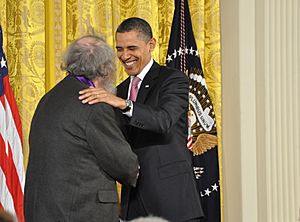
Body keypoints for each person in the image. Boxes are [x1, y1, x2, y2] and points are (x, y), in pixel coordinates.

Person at [79, 18, 203, 221]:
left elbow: (164, 121)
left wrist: (123, 104)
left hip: (172, 203)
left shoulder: (172, 79)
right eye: (119, 49)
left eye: (131, 48)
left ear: (151, 45)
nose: (124, 56)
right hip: (132, 202)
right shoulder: (118, 91)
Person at [24, 35, 139, 222]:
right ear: (105, 69)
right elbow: (126, 166)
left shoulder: (49, 97)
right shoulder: (93, 101)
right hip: (79, 212)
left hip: (43, 211)